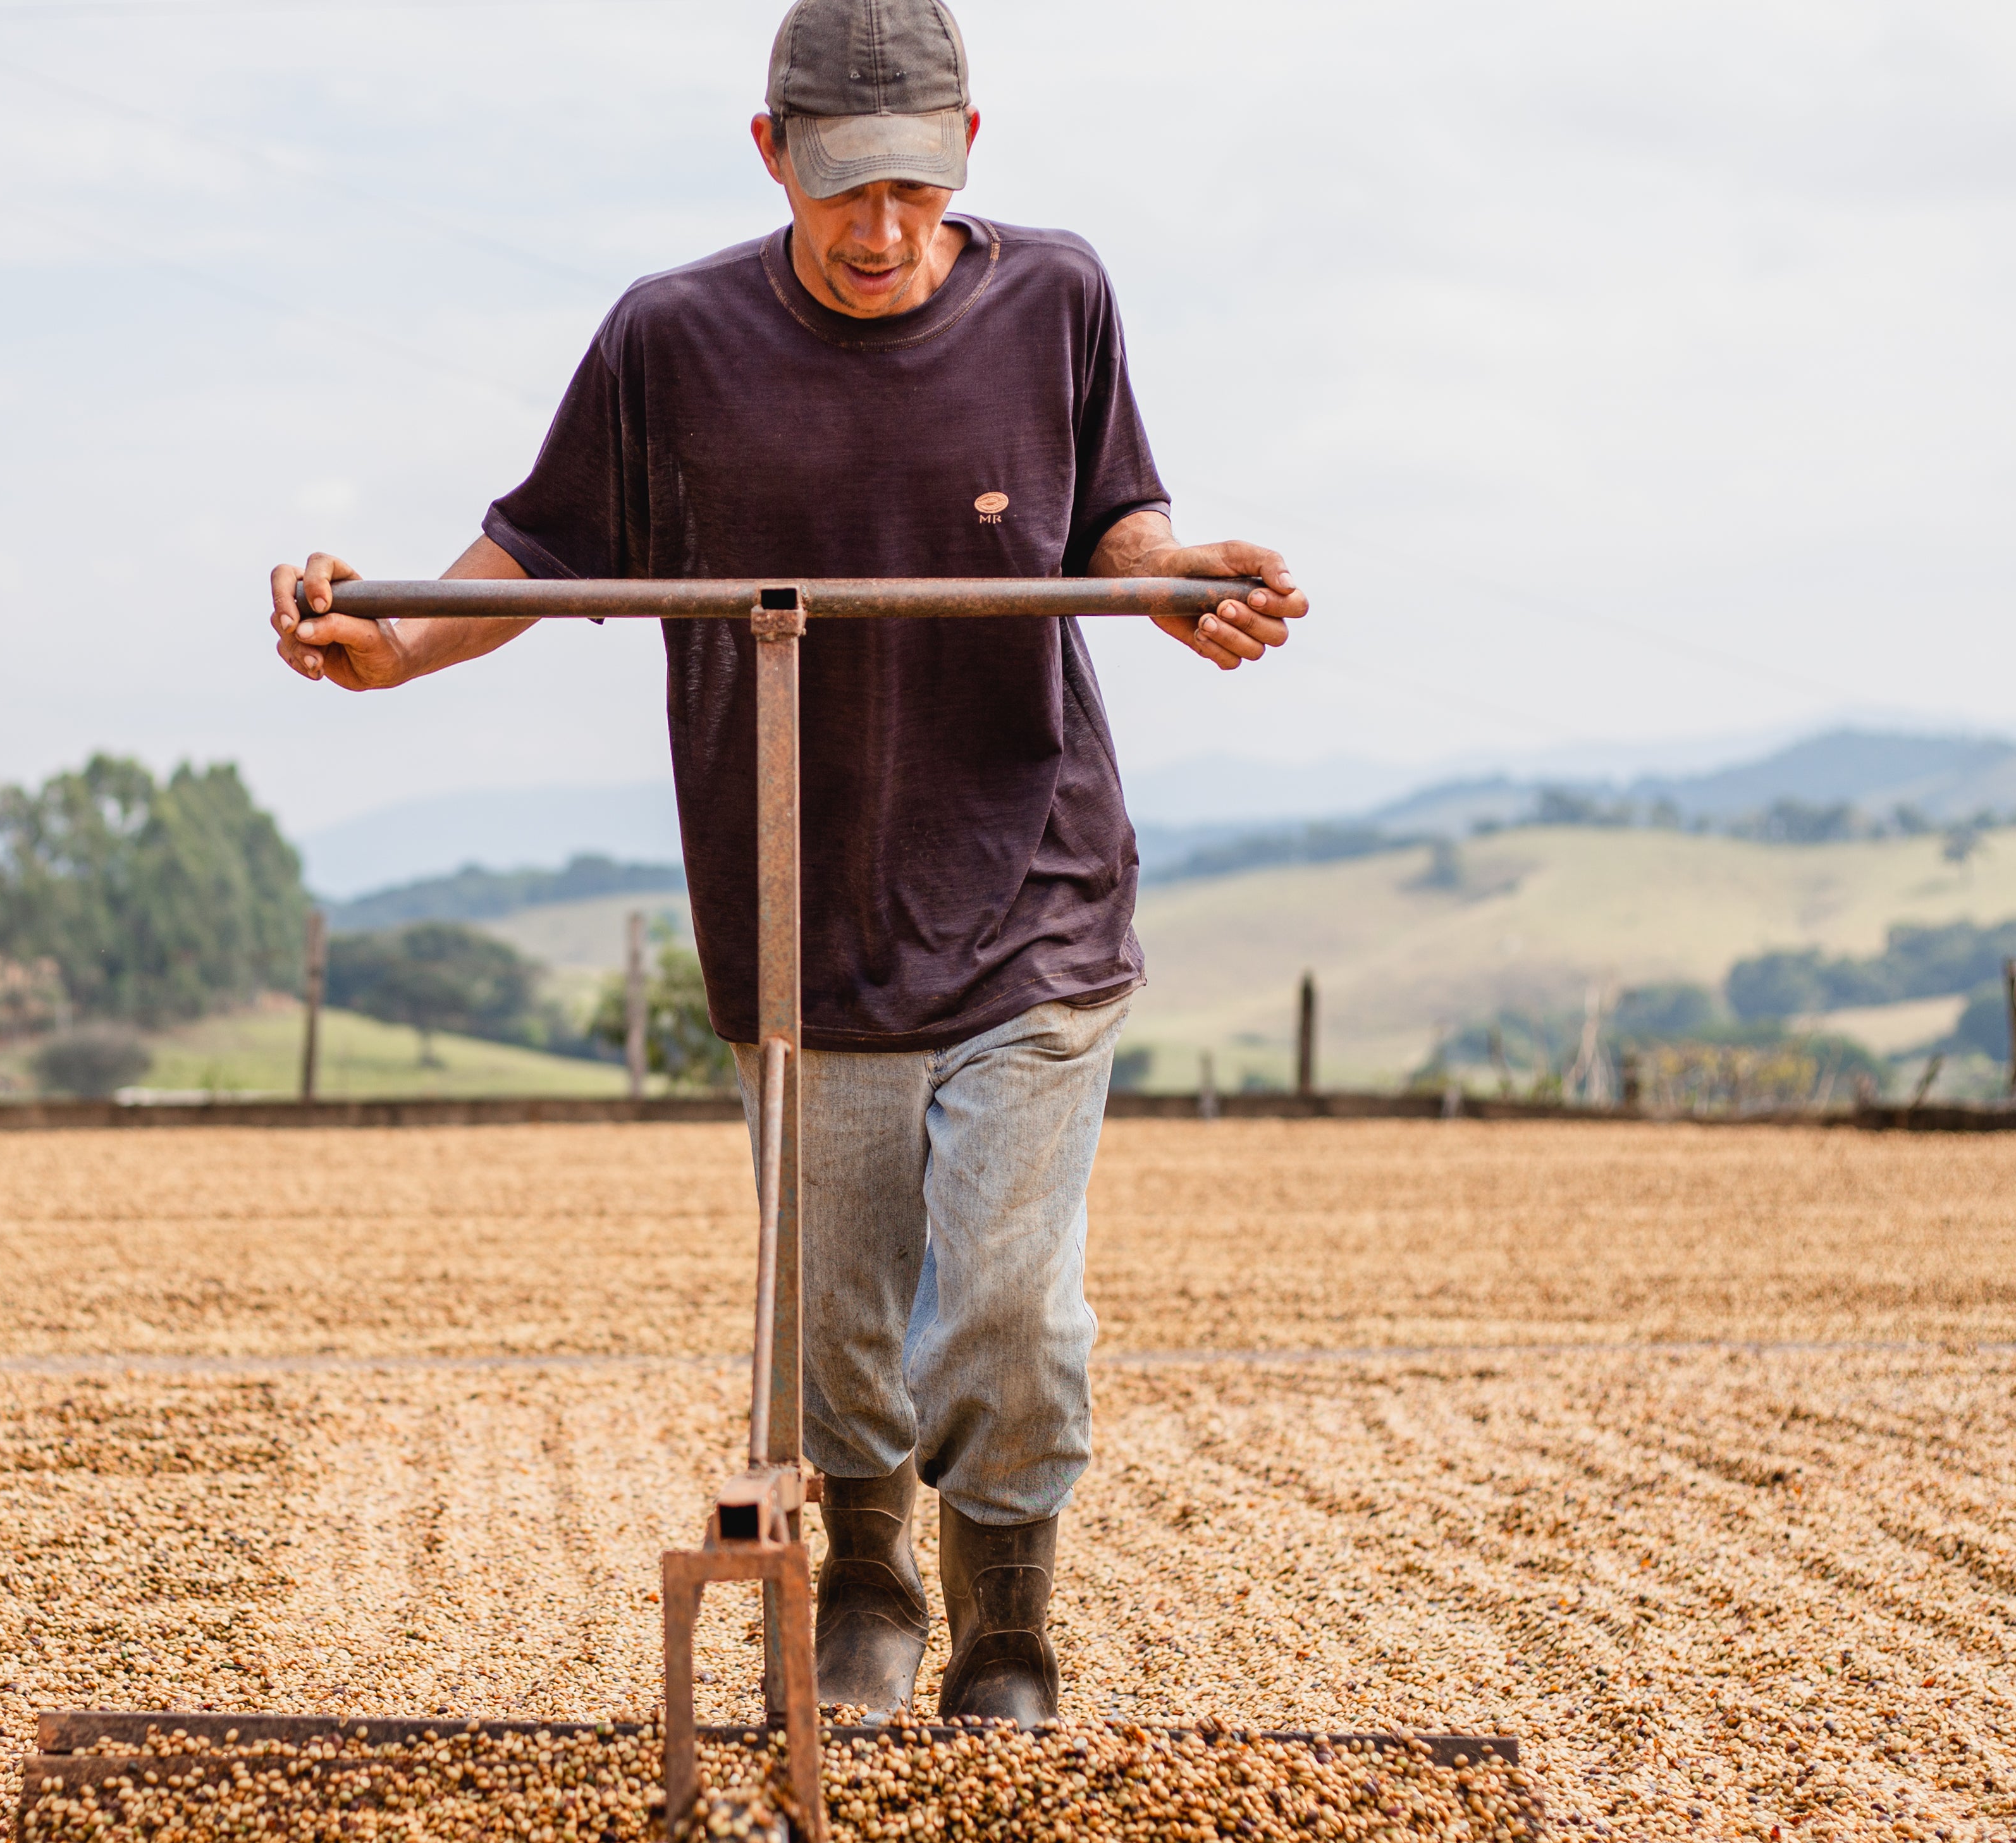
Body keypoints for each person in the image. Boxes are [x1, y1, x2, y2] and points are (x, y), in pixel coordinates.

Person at [267, 0, 1306, 1722]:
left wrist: (1169, 576)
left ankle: (1006, 1629)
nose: (881, 228)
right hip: (798, 918)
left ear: (971, 143)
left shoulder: (1059, 297)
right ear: (773, 159)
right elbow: (530, 552)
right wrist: (397, 642)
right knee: (830, 1331)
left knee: (1001, 1303)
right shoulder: (672, 342)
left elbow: (1111, 518)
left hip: (1032, 892)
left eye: (909, 183)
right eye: (843, 191)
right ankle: (872, 1581)